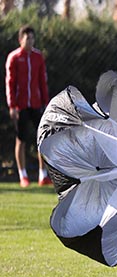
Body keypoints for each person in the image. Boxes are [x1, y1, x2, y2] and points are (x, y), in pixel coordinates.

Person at [5, 25, 51, 188]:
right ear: (20, 40)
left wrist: (46, 102)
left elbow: (42, 82)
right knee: (21, 139)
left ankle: (42, 175)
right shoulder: (14, 58)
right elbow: (10, 83)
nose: (30, 41)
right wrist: (13, 106)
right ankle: (23, 175)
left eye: (32, 38)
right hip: (21, 105)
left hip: (36, 104)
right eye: (27, 38)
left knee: (43, 139)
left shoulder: (38, 57)